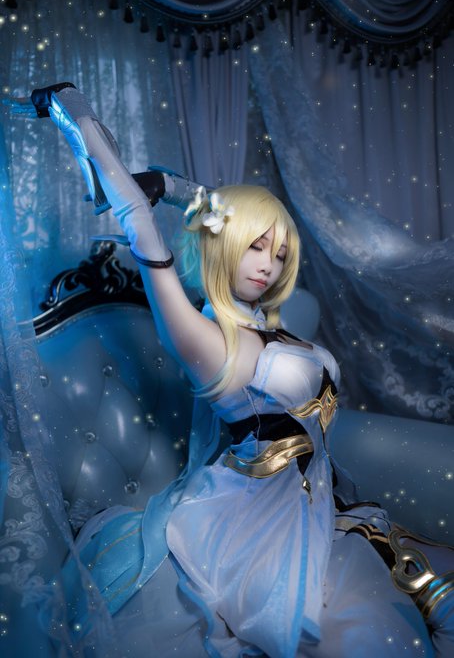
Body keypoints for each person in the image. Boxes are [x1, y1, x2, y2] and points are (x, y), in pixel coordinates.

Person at [9, 84, 454, 658]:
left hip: (320, 500)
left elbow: (216, 206)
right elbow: (140, 224)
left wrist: (170, 185)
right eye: (255, 247)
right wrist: (78, 115)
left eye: (280, 254)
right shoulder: (205, 339)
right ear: (226, 245)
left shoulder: (275, 325)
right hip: (253, 519)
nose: (269, 265)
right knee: (373, 636)